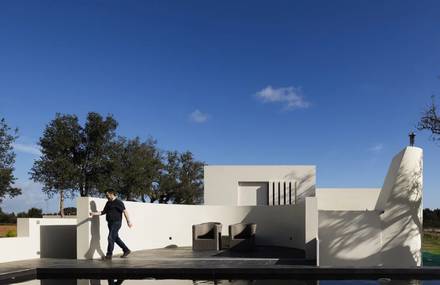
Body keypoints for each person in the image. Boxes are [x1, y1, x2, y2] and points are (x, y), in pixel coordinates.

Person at [90, 189, 133, 260]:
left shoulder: (119, 202)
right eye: (106, 195)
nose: (106, 196)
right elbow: (103, 212)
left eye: (107, 195)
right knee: (115, 238)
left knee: (110, 237)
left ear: (112, 194)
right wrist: (94, 213)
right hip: (109, 223)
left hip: (116, 222)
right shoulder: (108, 203)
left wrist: (128, 221)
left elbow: (125, 212)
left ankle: (109, 255)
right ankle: (126, 250)